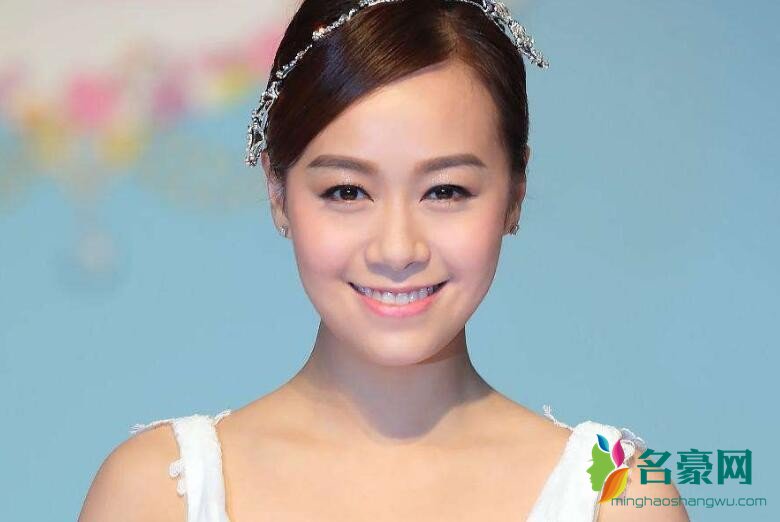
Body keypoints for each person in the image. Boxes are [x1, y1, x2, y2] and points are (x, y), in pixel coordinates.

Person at [79, 1, 688, 521]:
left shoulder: (615, 494)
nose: (397, 250)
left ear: (515, 193)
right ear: (278, 193)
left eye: (445, 191)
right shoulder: (155, 493)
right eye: (347, 191)